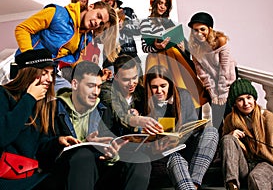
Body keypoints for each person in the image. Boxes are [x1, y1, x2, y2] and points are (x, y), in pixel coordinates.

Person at [46, 60, 149, 190]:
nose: (96, 92)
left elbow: (112, 146)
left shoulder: (104, 109)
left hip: (100, 171)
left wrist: (112, 153)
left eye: (99, 86)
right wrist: (60, 142)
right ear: (75, 84)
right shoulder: (53, 109)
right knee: (84, 155)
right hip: (67, 173)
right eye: (90, 86)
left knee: (140, 159)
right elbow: (42, 150)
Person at [0, 49, 79, 190]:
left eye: (51, 73)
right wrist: (29, 99)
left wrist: (57, 142)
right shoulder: (3, 95)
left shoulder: (46, 105)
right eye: (44, 73)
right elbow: (3, 136)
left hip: (34, 176)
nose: (50, 79)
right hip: (7, 178)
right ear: (29, 74)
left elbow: (40, 149)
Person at [14, 0, 118, 91]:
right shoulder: (56, 13)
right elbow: (23, 29)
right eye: (98, 16)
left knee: (70, 93)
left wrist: (98, 74)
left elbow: (78, 63)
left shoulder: (86, 38)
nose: (97, 23)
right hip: (29, 66)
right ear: (91, 7)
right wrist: (31, 59)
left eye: (101, 23)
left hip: (50, 73)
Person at [144, 65, 219, 189]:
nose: (159, 91)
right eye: (154, 87)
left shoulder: (183, 95)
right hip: (167, 153)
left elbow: (192, 125)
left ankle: (194, 182)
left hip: (187, 146)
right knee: (176, 159)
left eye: (163, 86)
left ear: (170, 84)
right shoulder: (146, 102)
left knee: (212, 131)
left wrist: (181, 136)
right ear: (149, 87)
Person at [221, 78, 273, 190]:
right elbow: (224, 151)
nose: (246, 103)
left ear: (254, 99)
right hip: (243, 165)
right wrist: (232, 137)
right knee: (228, 138)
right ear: (234, 103)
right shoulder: (230, 120)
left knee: (256, 177)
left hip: (267, 164)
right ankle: (232, 185)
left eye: (249, 98)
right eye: (240, 99)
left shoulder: (267, 117)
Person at [140, 0, 206, 112]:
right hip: (157, 60)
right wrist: (156, 47)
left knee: (186, 87)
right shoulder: (146, 22)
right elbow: (145, 47)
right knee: (162, 92)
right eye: (160, 3)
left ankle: (190, 117)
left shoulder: (170, 22)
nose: (162, 7)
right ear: (154, 3)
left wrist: (181, 46)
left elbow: (180, 41)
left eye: (165, 4)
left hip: (175, 57)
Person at [188, 12, 237, 131]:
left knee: (228, 111)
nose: (199, 33)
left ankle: (232, 139)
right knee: (216, 113)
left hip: (227, 77)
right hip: (211, 79)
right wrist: (213, 93)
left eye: (202, 29)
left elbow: (224, 69)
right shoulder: (194, 47)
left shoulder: (220, 40)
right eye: (195, 30)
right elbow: (203, 74)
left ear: (210, 29)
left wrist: (222, 92)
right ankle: (218, 139)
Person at [100, 54, 163, 136]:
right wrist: (137, 120)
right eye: (126, 80)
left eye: (134, 78)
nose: (131, 83)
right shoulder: (107, 90)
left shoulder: (141, 91)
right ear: (115, 77)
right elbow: (118, 114)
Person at [94, 0, 141, 65]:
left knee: (137, 76)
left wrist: (124, 25)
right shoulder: (100, 17)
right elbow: (97, 39)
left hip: (131, 55)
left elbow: (138, 30)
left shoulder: (128, 11)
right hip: (110, 60)